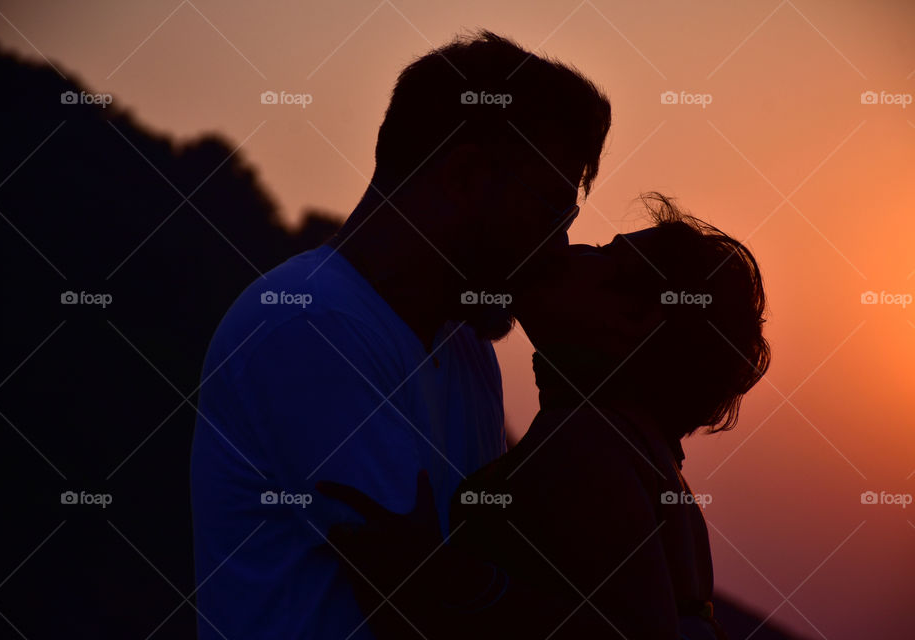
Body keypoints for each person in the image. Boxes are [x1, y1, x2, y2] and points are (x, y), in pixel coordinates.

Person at [189, 30, 611, 639]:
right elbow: (430, 606)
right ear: (464, 176)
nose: (560, 246)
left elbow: (481, 572)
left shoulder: (464, 351)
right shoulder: (311, 323)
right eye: (550, 209)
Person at [319, 193, 770, 639]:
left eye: (604, 255)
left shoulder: (586, 442)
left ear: (637, 319)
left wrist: (429, 574)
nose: (567, 249)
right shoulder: (655, 470)